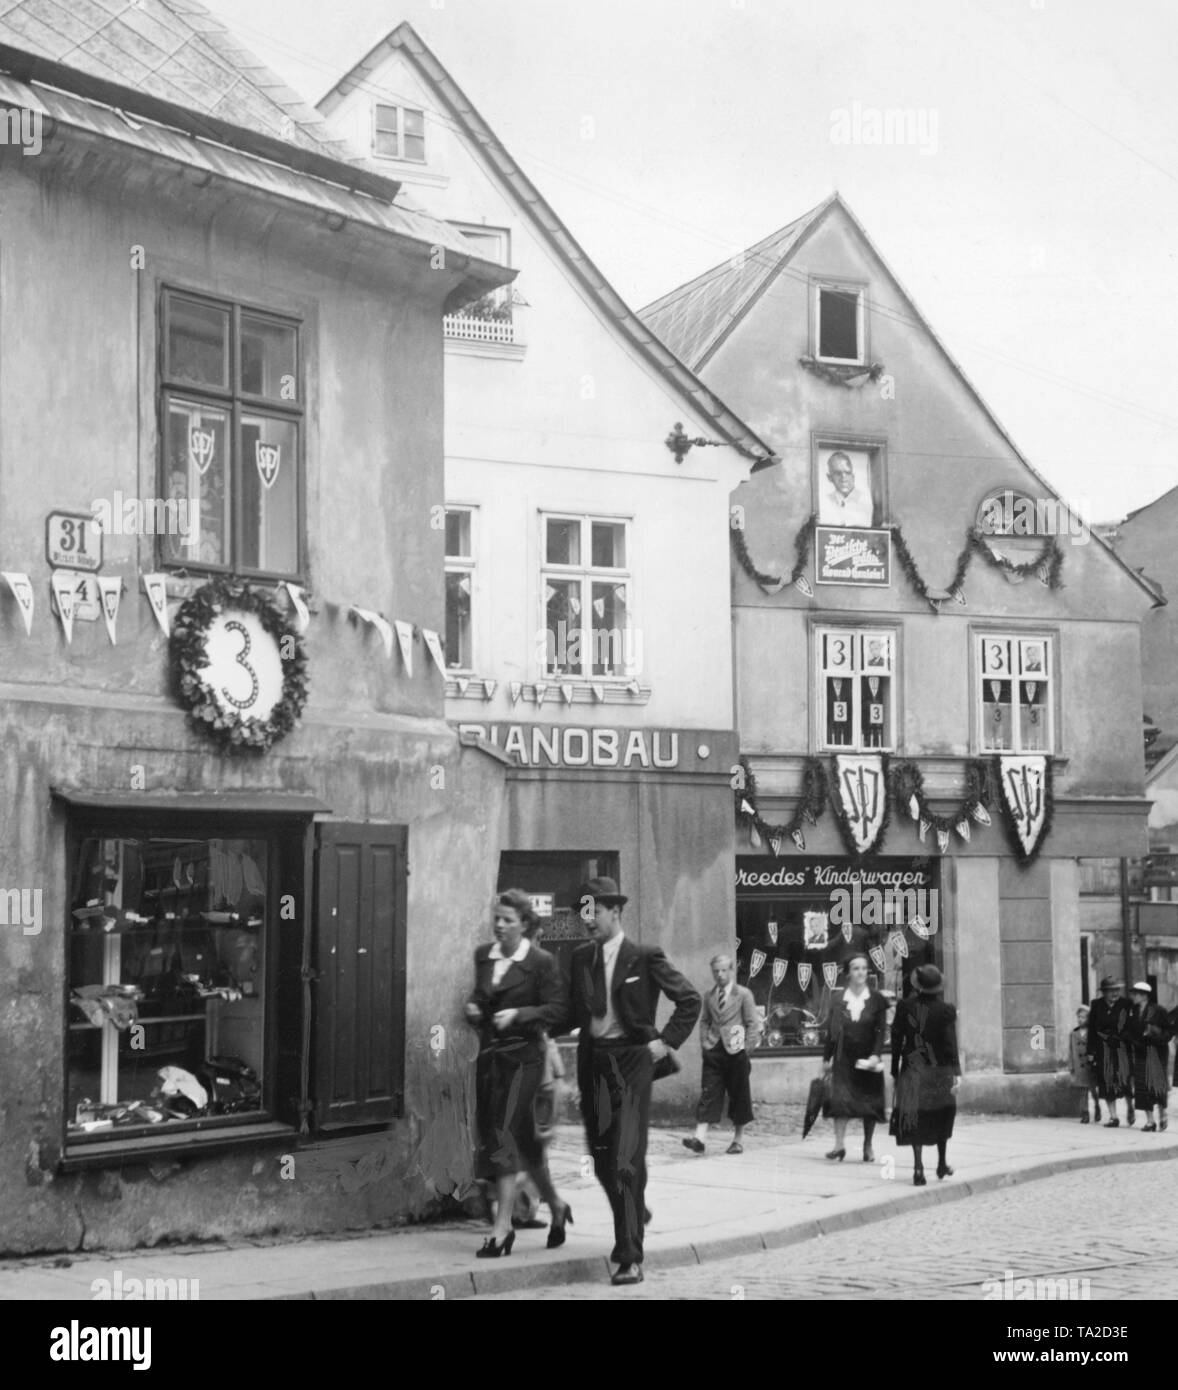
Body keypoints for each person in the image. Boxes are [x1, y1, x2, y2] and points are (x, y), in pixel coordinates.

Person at [556, 876, 700, 1286]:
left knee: (626, 1158)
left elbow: (690, 1000)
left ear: (615, 912)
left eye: (594, 911)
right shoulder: (582, 957)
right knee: (602, 1159)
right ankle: (633, 1205)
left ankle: (628, 1256)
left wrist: (665, 1042)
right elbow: (570, 1015)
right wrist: (532, 1022)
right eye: (582, 912)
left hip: (633, 1062)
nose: (587, 920)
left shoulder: (643, 956)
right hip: (594, 1064)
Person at [464, 889, 572, 1257]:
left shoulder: (541, 961)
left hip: (525, 1059)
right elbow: (482, 996)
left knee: (505, 1138)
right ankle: (557, 1206)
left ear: (524, 924)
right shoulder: (484, 956)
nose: (499, 925)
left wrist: (520, 1016)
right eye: (496, 918)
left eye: (508, 920)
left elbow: (557, 1010)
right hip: (491, 1061)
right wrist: (474, 1008)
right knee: (525, 1144)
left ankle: (502, 1228)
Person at [683, 953, 761, 1156]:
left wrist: (746, 1049)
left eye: (724, 970)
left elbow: (753, 1023)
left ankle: (737, 1140)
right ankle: (699, 1138)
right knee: (709, 1092)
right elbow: (704, 1021)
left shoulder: (743, 994)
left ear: (731, 971)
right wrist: (704, 1044)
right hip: (714, 1051)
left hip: (736, 1052)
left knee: (739, 1095)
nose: (720, 975)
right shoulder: (709, 995)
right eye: (716, 971)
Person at [890, 964, 960, 1186]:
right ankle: (941, 1163)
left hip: (912, 1069)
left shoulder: (905, 1006)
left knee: (914, 1117)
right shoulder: (946, 1010)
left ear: (917, 985)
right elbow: (950, 1044)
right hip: (939, 1070)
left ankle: (918, 1167)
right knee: (941, 1115)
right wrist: (956, 1072)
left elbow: (896, 1038)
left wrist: (894, 1068)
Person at [822, 953, 888, 1162]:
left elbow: (880, 1031)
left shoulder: (876, 999)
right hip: (844, 1057)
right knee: (840, 1101)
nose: (861, 972)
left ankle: (867, 1146)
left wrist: (876, 1055)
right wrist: (826, 1059)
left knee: (869, 1103)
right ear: (848, 973)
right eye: (855, 968)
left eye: (863, 968)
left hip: (868, 1058)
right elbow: (832, 1032)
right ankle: (839, 1145)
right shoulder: (839, 999)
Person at [1087, 977, 1135, 1128]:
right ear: (1104, 992)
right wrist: (1090, 1051)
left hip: (1121, 1048)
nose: (1115, 993)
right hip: (1103, 1049)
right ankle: (1113, 1117)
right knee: (1106, 1081)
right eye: (1111, 991)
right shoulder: (1096, 1005)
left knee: (1125, 1081)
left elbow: (1130, 1027)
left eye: (1117, 990)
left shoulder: (1126, 1004)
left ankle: (1130, 1106)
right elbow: (1092, 1030)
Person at [1126, 981, 1170, 1132]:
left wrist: (1156, 1038)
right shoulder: (1132, 1011)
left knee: (1157, 1086)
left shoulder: (1158, 1010)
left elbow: (1169, 1032)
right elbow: (1128, 1031)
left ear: (1144, 996)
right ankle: (1150, 1121)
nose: (1134, 997)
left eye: (1136, 994)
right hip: (1140, 1053)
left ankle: (1162, 1113)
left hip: (1157, 1053)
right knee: (1143, 1087)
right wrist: (1133, 1041)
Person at [818, 450, 874, 528]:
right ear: (829, 477)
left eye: (847, 472)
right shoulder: (825, 502)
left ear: (853, 476)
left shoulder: (864, 499)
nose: (843, 477)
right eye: (838, 473)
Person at [1068, 1004, 1100, 1123]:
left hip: (1090, 1066)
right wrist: (1071, 1067)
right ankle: (1085, 1113)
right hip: (1079, 1066)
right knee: (1082, 1091)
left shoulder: (1092, 1032)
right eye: (1079, 1017)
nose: (1080, 1019)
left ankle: (1097, 1106)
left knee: (1093, 1090)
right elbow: (1070, 1050)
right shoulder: (1073, 1033)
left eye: (1083, 1017)